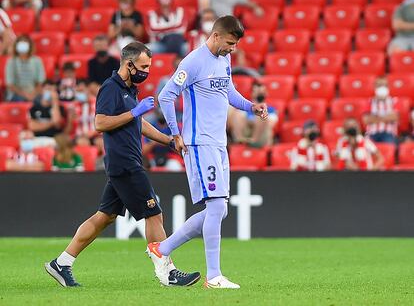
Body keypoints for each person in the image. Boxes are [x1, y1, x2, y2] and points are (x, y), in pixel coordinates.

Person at [44, 41, 200, 288]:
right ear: (129, 64)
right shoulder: (110, 88)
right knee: (154, 213)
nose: (146, 71)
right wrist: (134, 112)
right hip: (124, 162)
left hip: (124, 162)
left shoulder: (129, 89)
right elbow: (101, 123)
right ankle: (167, 272)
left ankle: (61, 263)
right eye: (143, 66)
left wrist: (169, 140)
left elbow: (139, 124)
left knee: (104, 217)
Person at [153, 16, 268, 289]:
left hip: (218, 143)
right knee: (216, 206)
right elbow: (166, 96)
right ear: (216, 35)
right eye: (229, 43)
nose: (232, 49)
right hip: (199, 142)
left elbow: (229, 91)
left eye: (235, 45)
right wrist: (175, 133)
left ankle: (162, 248)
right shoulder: (193, 61)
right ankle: (213, 276)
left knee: (220, 209)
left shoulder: (223, 60)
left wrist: (251, 106)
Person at [230, 80, 278, 147]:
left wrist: (251, 121)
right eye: (257, 91)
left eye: (262, 91)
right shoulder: (246, 108)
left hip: (261, 136)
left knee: (262, 116)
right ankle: (239, 141)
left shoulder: (271, 109)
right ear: (252, 93)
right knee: (237, 113)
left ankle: (254, 141)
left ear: (266, 93)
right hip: (246, 133)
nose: (260, 93)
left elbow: (271, 124)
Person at [29, 80, 74, 146]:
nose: (50, 93)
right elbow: (33, 126)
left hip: (54, 139)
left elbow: (57, 123)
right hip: (37, 139)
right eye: (48, 89)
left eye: (53, 90)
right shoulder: (34, 108)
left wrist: (55, 102)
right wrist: (51, 123)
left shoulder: (60, 108)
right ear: (42, 90)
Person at [5, 35, 45, 102]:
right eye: (20, 42)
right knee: (19, 100)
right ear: (16, 45)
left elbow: (40, 82)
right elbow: (10, 85)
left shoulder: (37, 60)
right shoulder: (11, 62)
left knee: (40, 103)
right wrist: (25, 95)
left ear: (30, 45)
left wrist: (33, 94)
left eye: (25, 42)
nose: (23, 44)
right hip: (16, 94)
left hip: (34, 93)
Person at [363, 77, 399, 144]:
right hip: (371, 134)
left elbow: (394, 117)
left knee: (389, 147)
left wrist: (375, 117)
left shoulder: (394, 101)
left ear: (388, 87)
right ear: (375, 87)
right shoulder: (369, 101)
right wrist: (386, 117)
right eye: (379, 85)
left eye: (384, 85)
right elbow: (366, 120)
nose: (382, 88)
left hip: (389, 133)